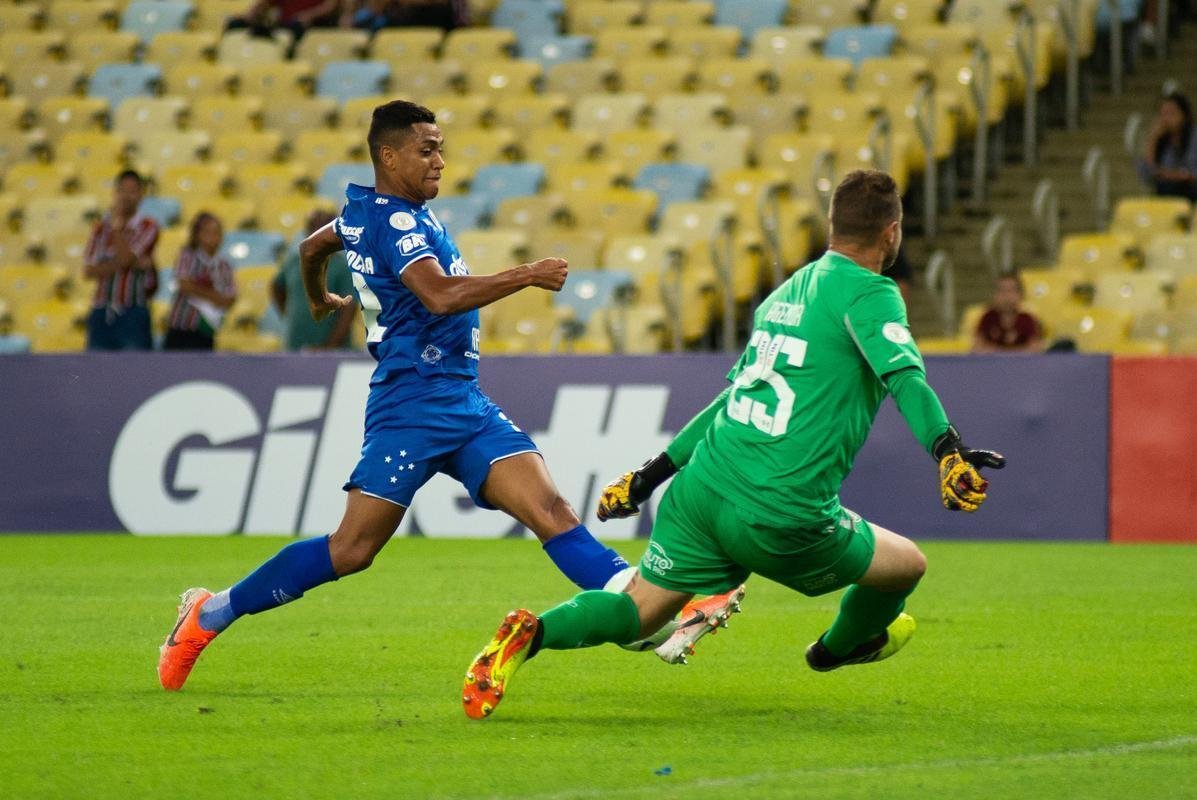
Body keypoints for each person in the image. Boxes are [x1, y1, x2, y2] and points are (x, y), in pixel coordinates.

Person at [157, 100, 740, 691]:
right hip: (410, 406)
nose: (439, 160)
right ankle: (209, 613)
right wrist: (526, 274)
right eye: (427, 149)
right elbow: (437, 295)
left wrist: (316, 297)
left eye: (440, 148)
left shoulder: (368, 212)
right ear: (389, 156)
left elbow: (311, 249)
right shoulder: (396, 222)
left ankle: (642, 604)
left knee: (551, 511)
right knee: (352, 550)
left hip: (462, 399)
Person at [461, 170, 1007, 720]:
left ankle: (531, 634)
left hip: (703, 489)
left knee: (640, 612)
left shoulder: (784, 294)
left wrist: (649, 476)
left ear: (832, 226)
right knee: (906, 566)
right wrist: (947, 449)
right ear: (892, 232)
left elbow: (729, 401)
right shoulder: (871, 292)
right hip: (779, 508)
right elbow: (905, 377)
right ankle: (836, 649)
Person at [82, 169, 159, 351]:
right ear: (115, 193)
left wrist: (116, 229)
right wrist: (133, 264)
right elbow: (88, 270)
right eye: (122, 190)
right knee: (96, 363)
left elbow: (125, 259)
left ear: (141, 194)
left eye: (132, 191)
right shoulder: (100, 229)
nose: (126, 196)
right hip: (102, 309)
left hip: (133, 310)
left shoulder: (147, 226)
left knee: (133, 364)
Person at [271, 208, 358, 351]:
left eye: (324, 227)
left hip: (332, 351)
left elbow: (348, 310)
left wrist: (329, 347)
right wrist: (289, 314)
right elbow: (276, 287)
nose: (318, 233)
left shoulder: (342, 267)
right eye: (313, 227)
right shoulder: (293, 262)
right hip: (295, 345)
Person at [162, 212, 238, 351]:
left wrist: (217, 298)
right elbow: (183, 284)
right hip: (182, 327)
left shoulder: (224, 265)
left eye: (216, 232)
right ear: (197, 235)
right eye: (207, 232)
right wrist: (214, 296)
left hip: (207, 330)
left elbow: (231, 296)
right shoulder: (187, 256)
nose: (213, 237)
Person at [1137, 91, 1197, 201]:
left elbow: (1192, 172)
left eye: (1171, 113)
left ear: (1184, 114)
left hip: (1193, 191)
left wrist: (1174, 175)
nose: (1166, 118)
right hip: (1168, 192)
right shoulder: (1160, 140)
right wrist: (1152, 140)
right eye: (1163, 114)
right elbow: (1146, 174)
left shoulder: (1194, 136)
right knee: (1166, 188)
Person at [972, 273, 1044, 353]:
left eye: (1011, 290)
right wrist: (1014, 351)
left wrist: (999, 351)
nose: (1006, 295)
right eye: (1002, 290)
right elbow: (977, 348)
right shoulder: (987, 318)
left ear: (1020, 295)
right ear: (994, 295)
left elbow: (1035, 349)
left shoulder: (1027, 319)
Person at [226, 0, 342, 42]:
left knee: (296, 27)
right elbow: (265, 3)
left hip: (307, 26)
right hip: (284, 25)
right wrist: (250, 14)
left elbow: (330, 6)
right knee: (235, 24)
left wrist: (309, 15)